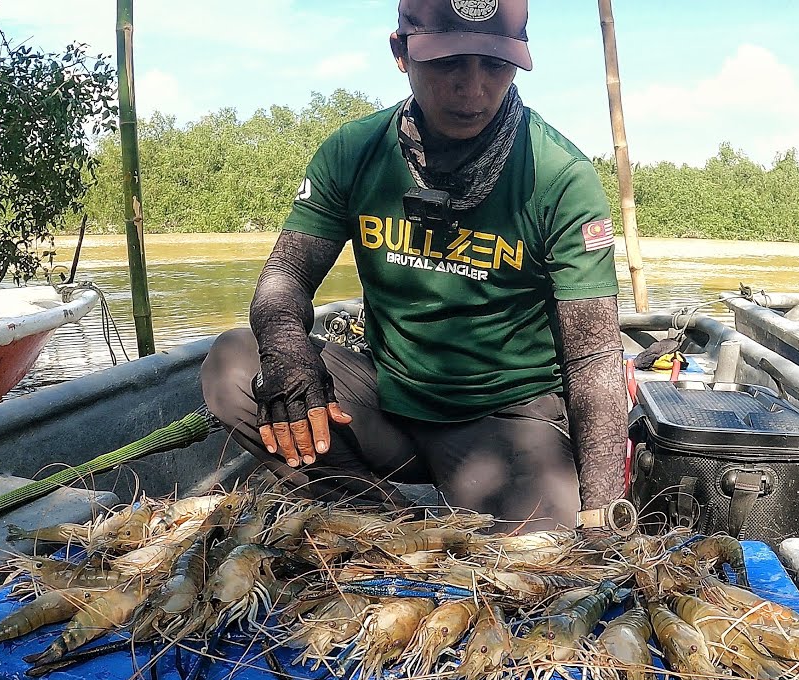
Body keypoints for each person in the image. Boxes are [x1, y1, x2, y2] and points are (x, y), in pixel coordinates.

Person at [202, 0, 626, 532]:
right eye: (448, 62)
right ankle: (377, 517)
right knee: (235, 363)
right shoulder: (354, 152)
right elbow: (283, 280)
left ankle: (430, 521)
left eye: (495, 65)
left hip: (506, 426)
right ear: (401, 54)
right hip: (386, 401)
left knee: (544, 554)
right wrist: (290, 357)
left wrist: (605, 515)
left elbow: (594, 360)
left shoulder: (560, 176)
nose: (472, 90)